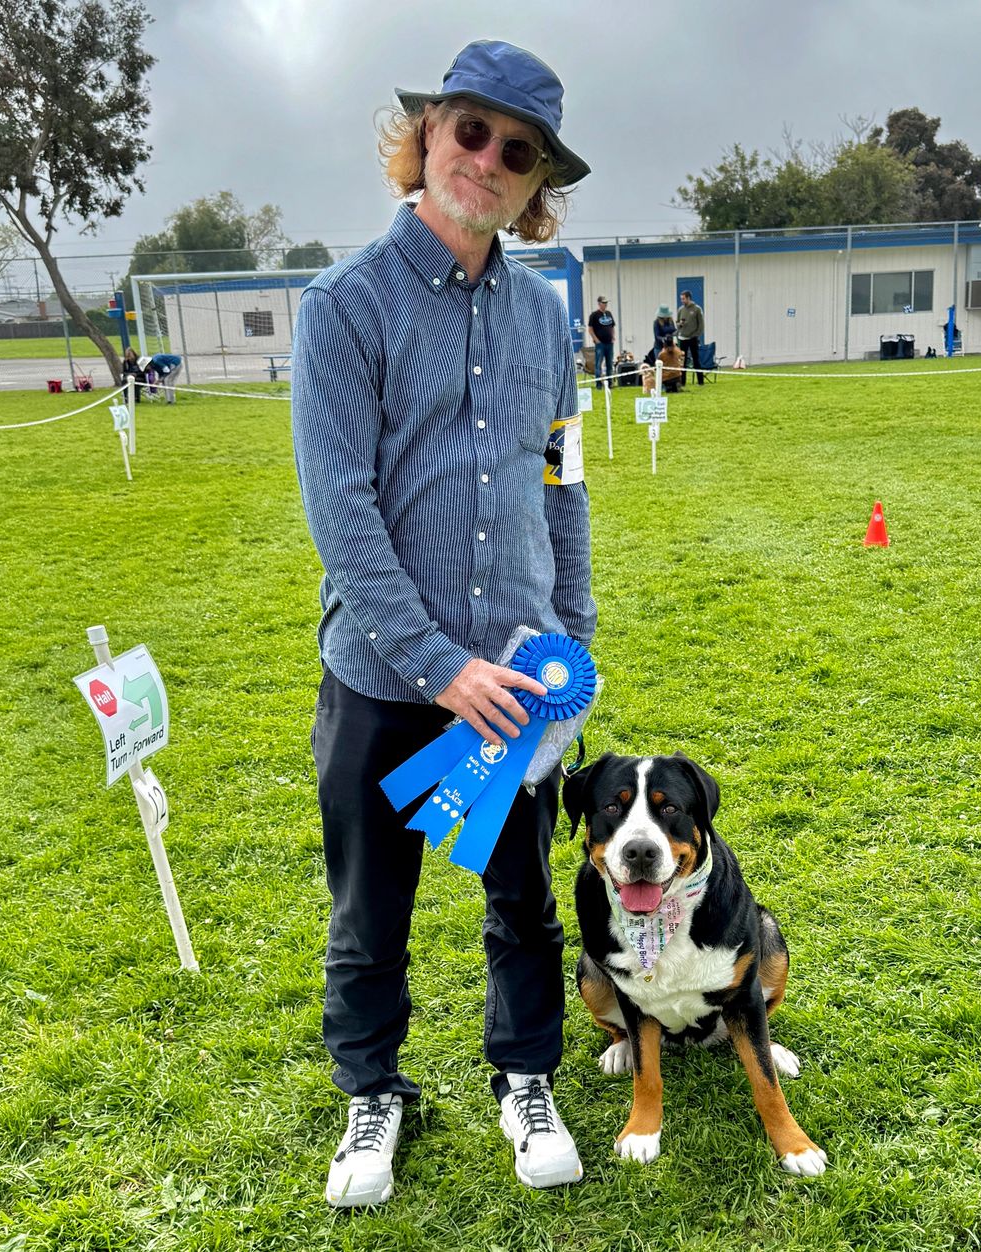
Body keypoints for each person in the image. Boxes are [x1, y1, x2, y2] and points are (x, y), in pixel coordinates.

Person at [291, 39, 595, 1209]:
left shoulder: (547, 322)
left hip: (516, 674)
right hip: (381, 678)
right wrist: (434, 664)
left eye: (518, 152)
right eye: (471, 130)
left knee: (521, 900)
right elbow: (343, 513)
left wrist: (572, 629)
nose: (488, 160)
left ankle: (526, 1076)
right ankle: (372, 1091)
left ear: (534, 184)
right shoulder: (344, 307)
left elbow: (561, 482)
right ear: (427, 135)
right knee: (371, 912)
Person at [675, 289, 705, 385]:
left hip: (693, 338)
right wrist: (680, 324)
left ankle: (700, 381)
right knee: (682, 361)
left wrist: (696, 335)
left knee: (696, 360)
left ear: (688, 298)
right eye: (681, 299)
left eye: (683, 299)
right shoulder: (680, 309)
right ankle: (682, 382)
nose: (682, 301)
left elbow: (701, 325)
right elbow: (677, 323)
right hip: (682, 338)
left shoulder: (697, 309)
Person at [586, 295, 615, 389]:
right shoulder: (594, 315)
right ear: (599, 304)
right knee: (598, 363)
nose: (605, 304)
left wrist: (613, 337)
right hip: (600, 344)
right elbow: (590, 329)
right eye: (603, 303)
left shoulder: (609, 313)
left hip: (609, 343)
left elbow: (612, 326)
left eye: (606, 303)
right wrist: (596, 340)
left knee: (609, 363)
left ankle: (610, 383)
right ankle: (599, 383)